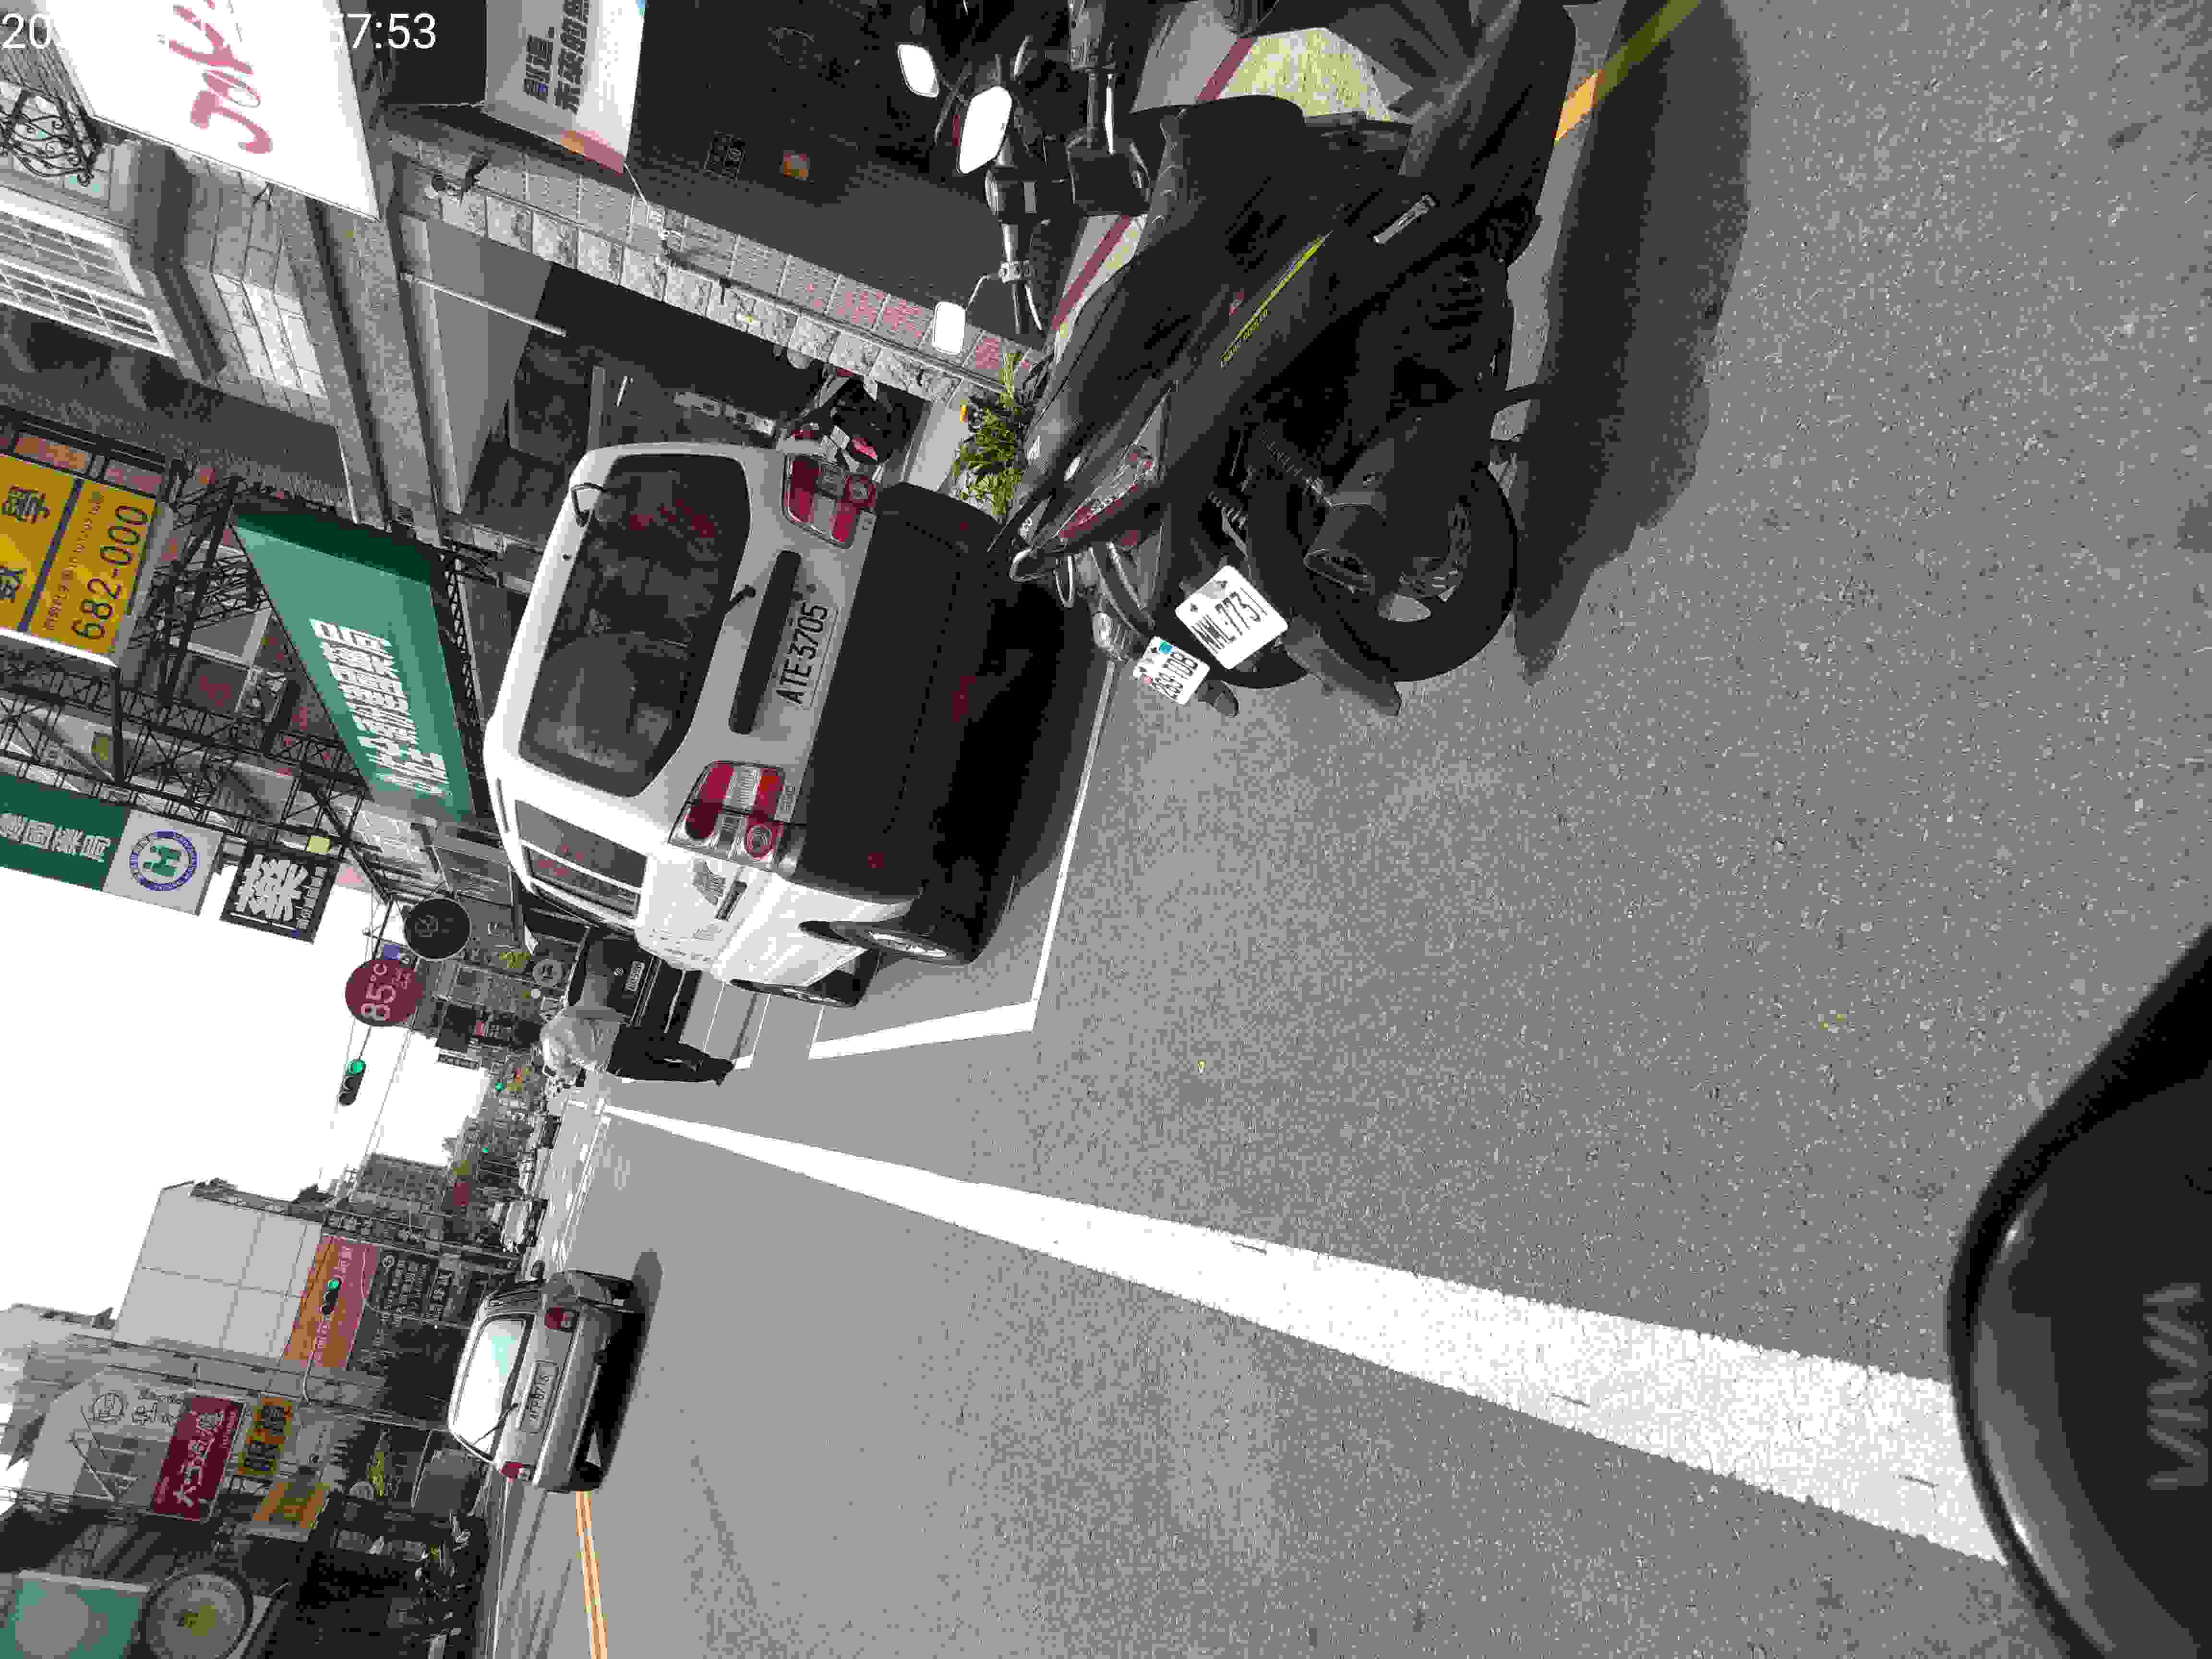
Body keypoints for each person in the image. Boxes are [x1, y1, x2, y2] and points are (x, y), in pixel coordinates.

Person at [539, 943, 735, 1085]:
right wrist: (621, 1020)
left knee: (666, 1072)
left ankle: (712, 1074)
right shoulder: (564, 1016)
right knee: (671, 1049)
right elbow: (599, 1012)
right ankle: (715, 1065)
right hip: (622, 1037)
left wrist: (581, 1058)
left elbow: (571, 1071)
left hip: (611, 1062)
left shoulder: (550, 1055)